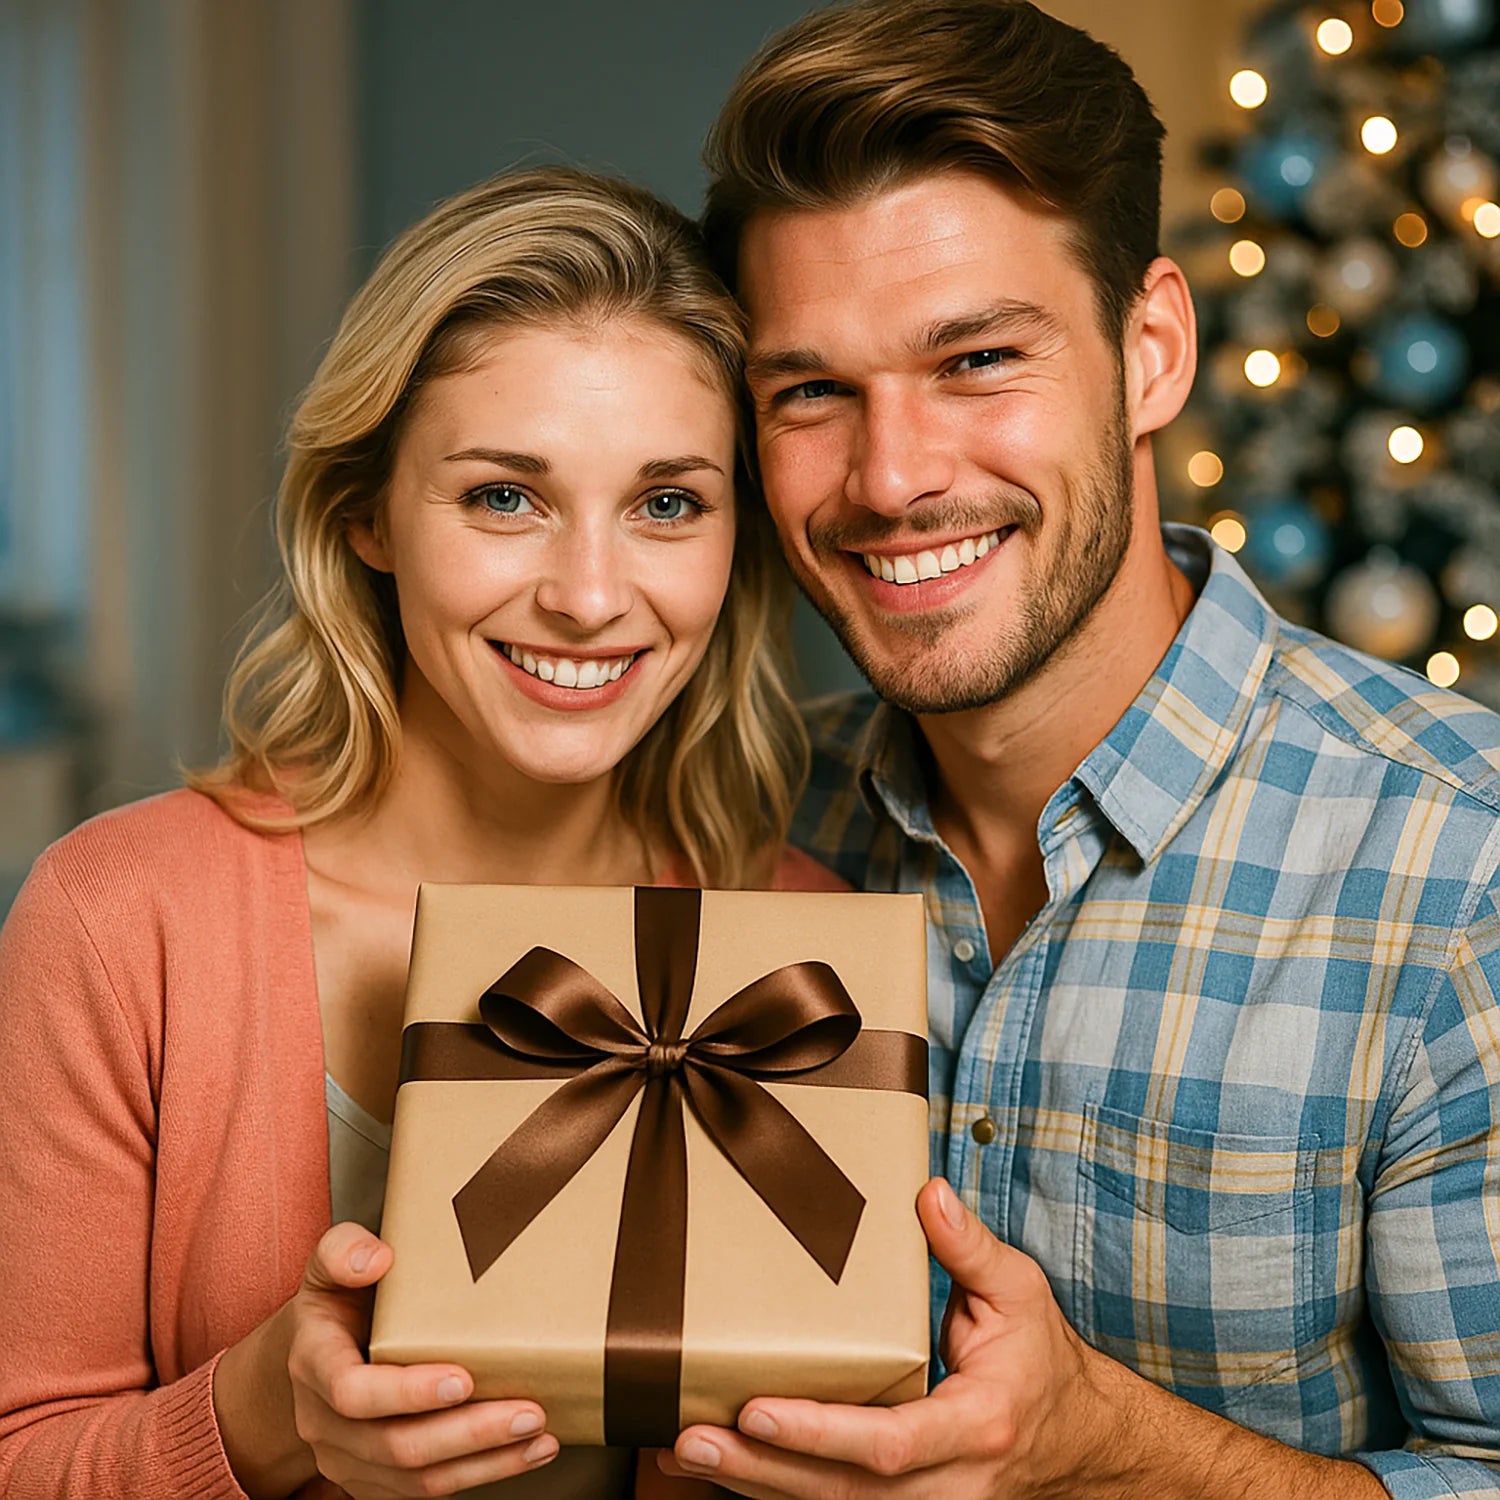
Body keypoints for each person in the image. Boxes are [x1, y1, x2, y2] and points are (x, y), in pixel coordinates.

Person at [653, 2, 1500, 1497]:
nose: (894, 477)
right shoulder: (726, 824)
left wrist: (1113, 1453)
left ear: (1154, 348)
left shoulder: (1460, 871)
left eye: (977, 358)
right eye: (810, 393)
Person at [0, 165, 836, 1498]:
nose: (589, 593)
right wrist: (263, 1412)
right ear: (366, 516)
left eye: (668, 502)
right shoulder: (121, 923)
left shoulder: (801, 963)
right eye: (504, 496)